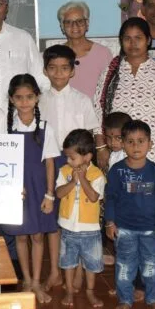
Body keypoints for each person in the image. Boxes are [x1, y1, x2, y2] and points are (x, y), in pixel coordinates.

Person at [94, 17, 155, 287]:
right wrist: (101, 147)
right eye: (127, 38)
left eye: (138, 38)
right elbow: (97, 110)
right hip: (120, 157)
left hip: (154, 155)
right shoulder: (112, 73)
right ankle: (130, 272)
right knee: (125, 208)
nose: (133, 43)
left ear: (148, 40)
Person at [40, 44, 100, 291]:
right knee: (55, 220)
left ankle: (78, 272)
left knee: (77, 216)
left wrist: (87, 163)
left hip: (77, 164)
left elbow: (91, 134)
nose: (58, 73)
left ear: (72, 71)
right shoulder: (39, 101)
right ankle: (56, 271)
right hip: (49, 163)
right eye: (53, 68)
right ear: (45, 70)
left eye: (64, 68)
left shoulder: (82, 100)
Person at [105, 120, 155, 309]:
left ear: (150, 144)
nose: (136, 146)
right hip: (124, 229)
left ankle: (153, 299)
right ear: (123, 144)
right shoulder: (116, 171)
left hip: (150, 229)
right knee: (125, 265)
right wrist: (109, 222)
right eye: (130, 141)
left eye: (141, 141)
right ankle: (125, 299)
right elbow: (110, 199)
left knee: (151, 265)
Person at [3, 74, 58, 305]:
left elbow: (50, 163)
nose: (24, 102)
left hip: (38, 189)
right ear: (11, 99)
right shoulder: (5, 129)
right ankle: (26, 280)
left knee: (37, 236)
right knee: (21, 236)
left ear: (37, 98)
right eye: (19, 97)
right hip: (16, 189)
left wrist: (49, 194)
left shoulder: (45, 128)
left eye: (29, 97)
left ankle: (36, 281)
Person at [55, 129, 105, 309]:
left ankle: (90, 291)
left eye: (72, 157)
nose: (68, 161)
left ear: (87, 157)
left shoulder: (97, 175)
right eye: (67, 157)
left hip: (90, 229)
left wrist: (82, 179)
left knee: (91, 263)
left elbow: (93, 197)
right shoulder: (64, 171)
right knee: (68, 261)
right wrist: (72, 182)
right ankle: (69, 290)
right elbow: (59, 193)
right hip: (68, 227)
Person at [56, 1, 113, 96]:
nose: (75, 26)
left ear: (87, 24)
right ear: (62, 26)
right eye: (69, 22)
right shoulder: (55, 55)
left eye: (80, 21)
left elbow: (111, 89)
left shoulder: (103, 53)